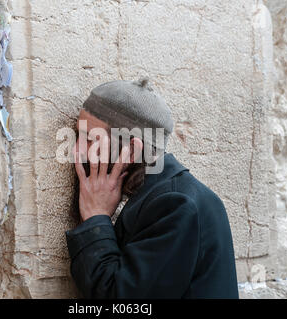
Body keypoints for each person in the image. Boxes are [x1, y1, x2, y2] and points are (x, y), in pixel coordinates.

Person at [65, 78, 239, 298]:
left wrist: (95, 219)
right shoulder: (159, 194)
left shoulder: (176, 206)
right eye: (77, 135)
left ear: (131, 150)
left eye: (90, 139)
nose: (76, 150)